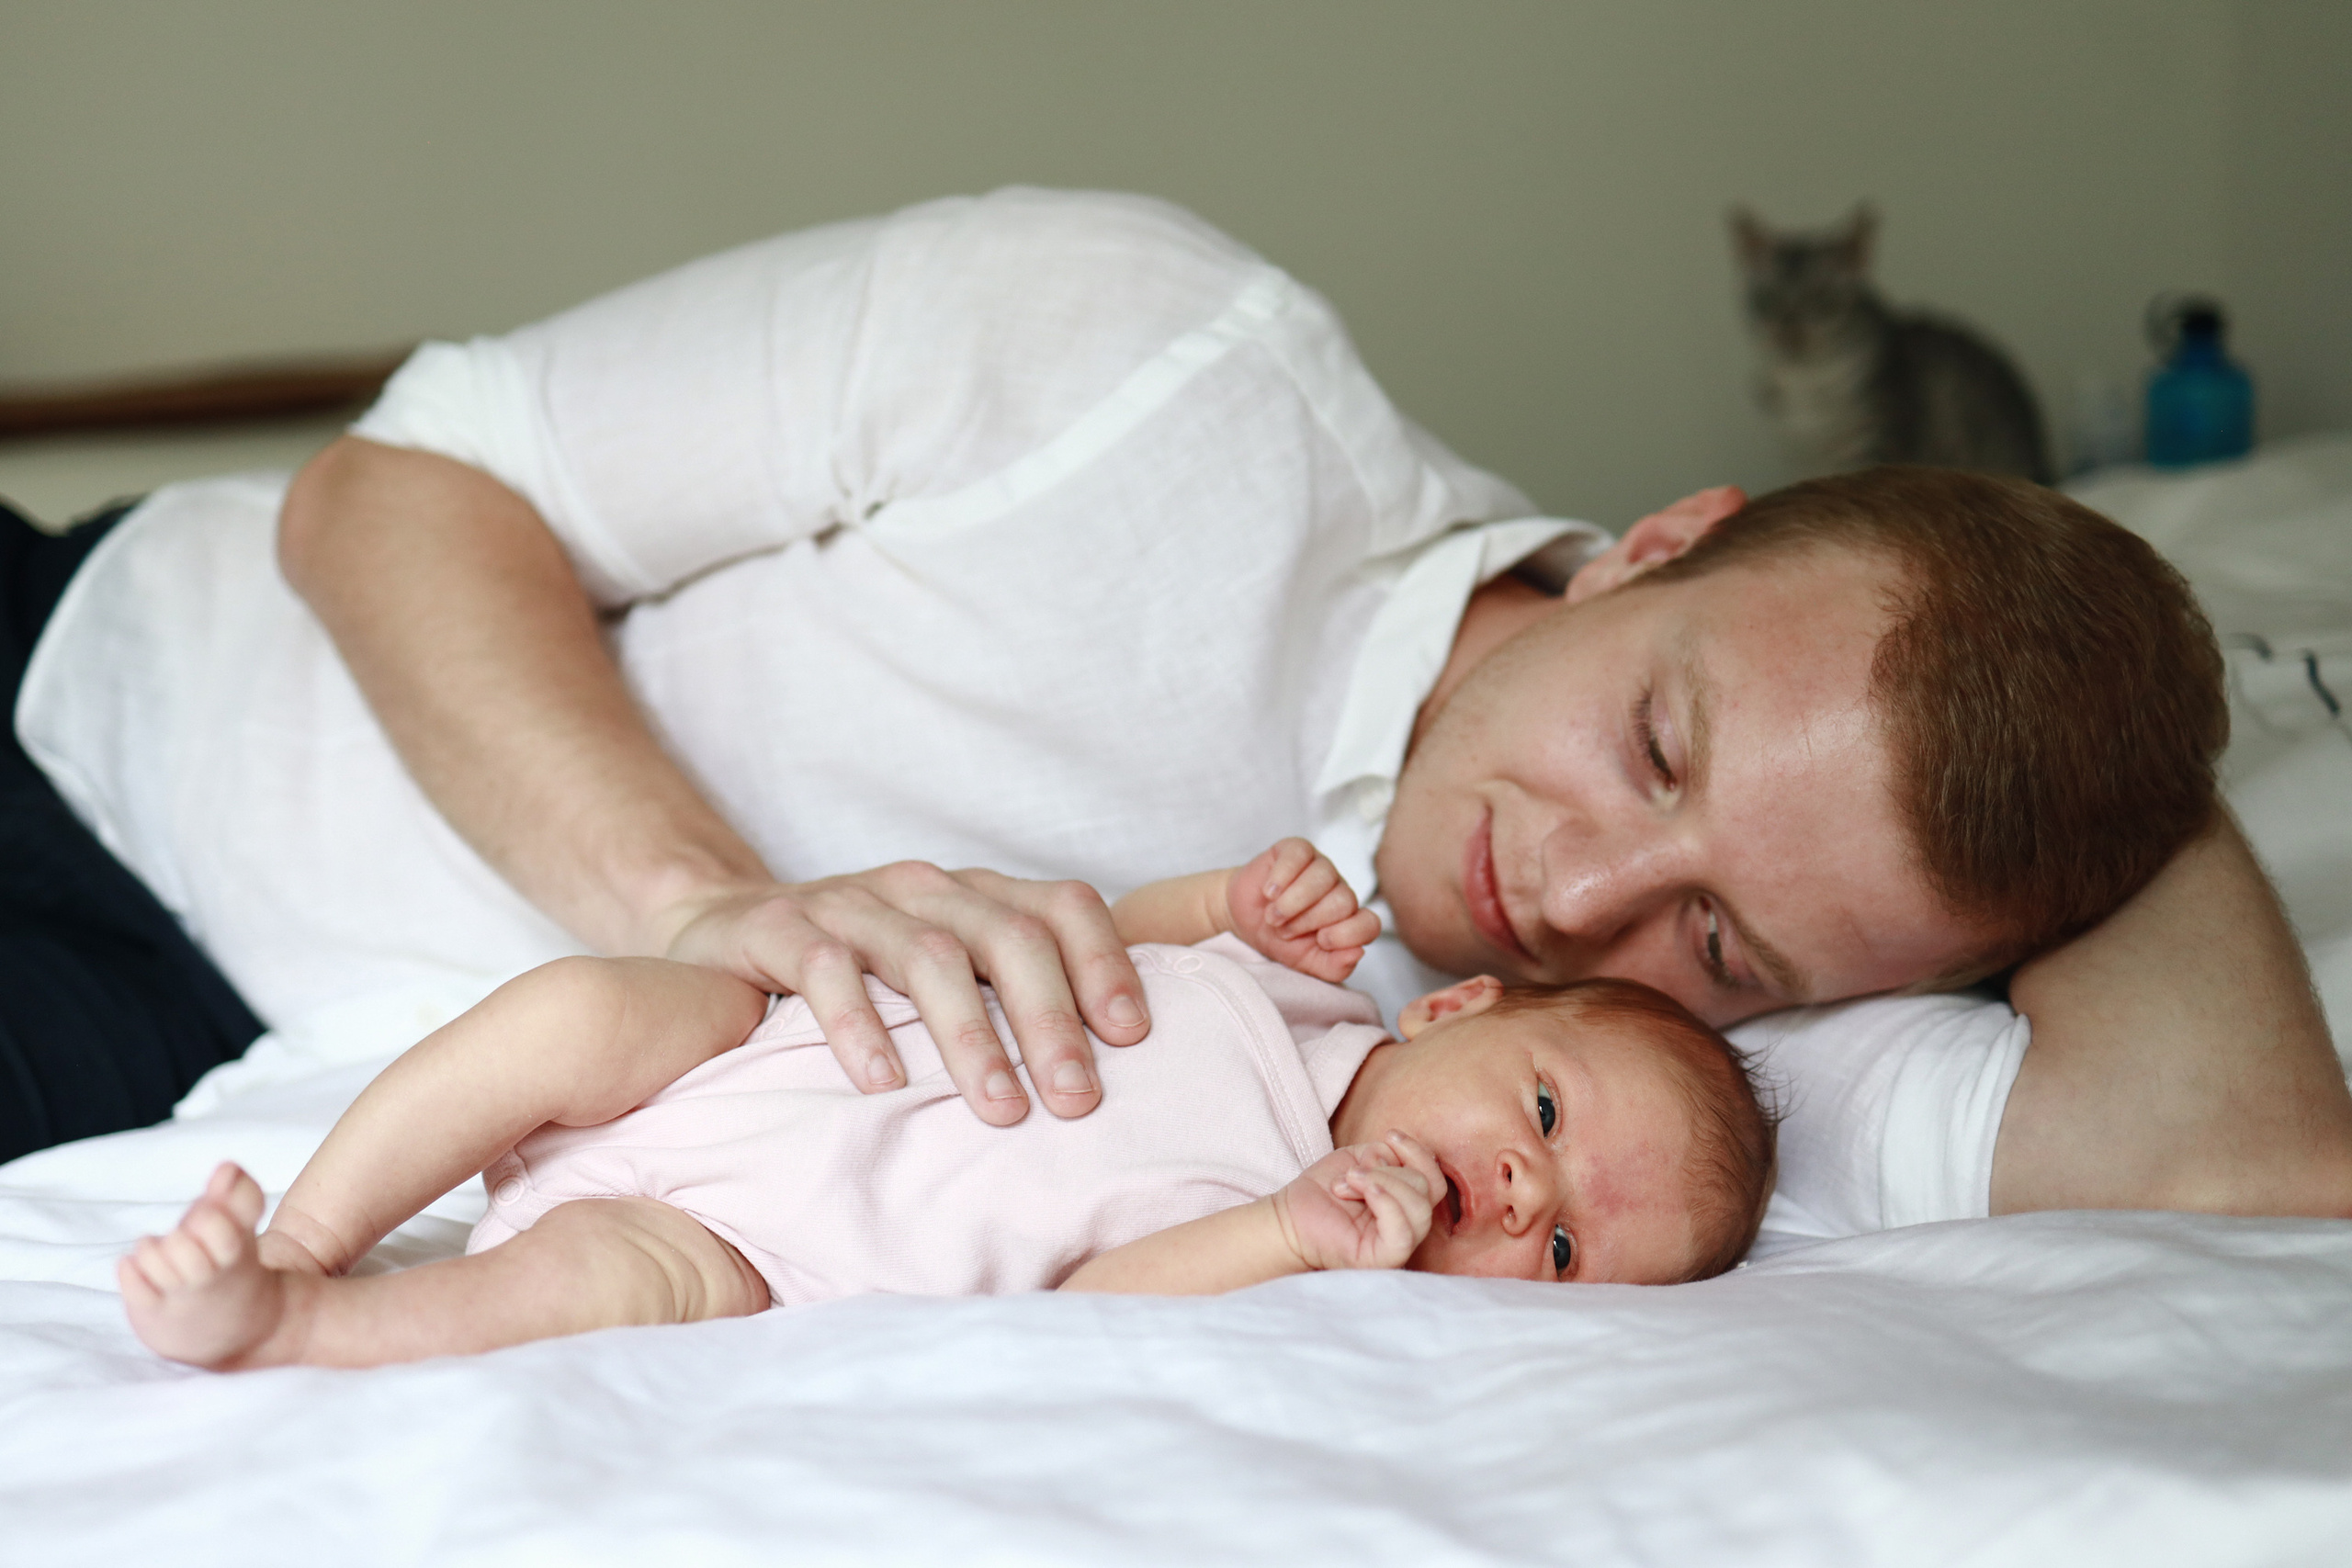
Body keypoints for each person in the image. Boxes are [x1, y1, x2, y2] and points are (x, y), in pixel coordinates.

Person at [10, 188, 2349, 1235]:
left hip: (199, 1062)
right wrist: (716, 902)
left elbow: (2251, 1165)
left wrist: (2139, 710)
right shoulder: (1149, 359)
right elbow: (393, 488)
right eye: (1654, 745)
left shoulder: (1582, 1063)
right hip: (101, 708)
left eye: (1727, 942)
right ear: (1655, 535)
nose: (1571, 885)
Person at [118, 840, 1772, 1370]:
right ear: (1464, 1001)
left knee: (581, 1287)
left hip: (756, 1241)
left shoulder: (1310, 1262)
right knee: (574, 1007)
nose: (1511, 1190)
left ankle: (287, 1329)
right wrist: (1225, 901)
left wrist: (1287, 1232)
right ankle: (322, 1230)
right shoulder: (1306, 992)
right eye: (1544, 1117)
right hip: (746, 1055)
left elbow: (1096, 1294)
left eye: (1560, 1257)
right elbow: (1092, 939)